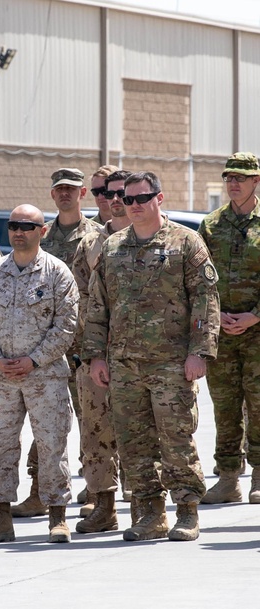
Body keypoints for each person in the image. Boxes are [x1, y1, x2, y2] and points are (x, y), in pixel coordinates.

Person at [85, 171, 219, 542]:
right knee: (134, 442)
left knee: (176, 438)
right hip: (125, 365)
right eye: (128, 200)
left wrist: (200, 352)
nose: (135, 206)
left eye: (143, 198)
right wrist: (96, 356)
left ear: (160, 198)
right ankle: (149, 513)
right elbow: (99, 307)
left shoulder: (185, 243)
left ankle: (187, 510)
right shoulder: (113, 248)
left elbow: (205, 301)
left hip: (172, 363)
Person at [0, 204, 78, 544]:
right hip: (1, 378)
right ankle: (1, 517)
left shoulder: (57, 273)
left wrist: (34, 360)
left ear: (41, 231)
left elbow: (66, 326)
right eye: (13, 225)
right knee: (0, 446)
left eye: (27, 226)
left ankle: (57, 517)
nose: (18, 231)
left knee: (51, 445)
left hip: (45, 377)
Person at [13, 168, 100, 519]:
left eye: (72, 189)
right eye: (59, 189)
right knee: (44, 423)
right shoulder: (41, 237)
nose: (65, 194)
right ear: (52, 195)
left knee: (91, 422)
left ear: (82, 194)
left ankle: (95, 490)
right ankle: (39, 490)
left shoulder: (96, 236)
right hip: (46, 349)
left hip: (84, 345)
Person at [69, 169, 131, 534]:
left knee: (142, 434)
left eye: (124, 193)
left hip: (144, 357)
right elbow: (78, 299)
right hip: (96, 358)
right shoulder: (90, 245)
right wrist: (85, 353)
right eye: (107, 193)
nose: (115, 199)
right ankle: (103, 504)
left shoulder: (160, 240)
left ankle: (145, 505)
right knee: (94, 433)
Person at [198, 152, 260, 505]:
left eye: (241, 177)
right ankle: (228, 478)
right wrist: (215, 314)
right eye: (229, 177)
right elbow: (201, 278)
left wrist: (254, 316)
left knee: (259, 404)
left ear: (256, 181)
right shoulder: (211, 225)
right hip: (221, 331)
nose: (233, 183)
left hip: (257, 331)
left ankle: (259, 477)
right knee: (224, 407)